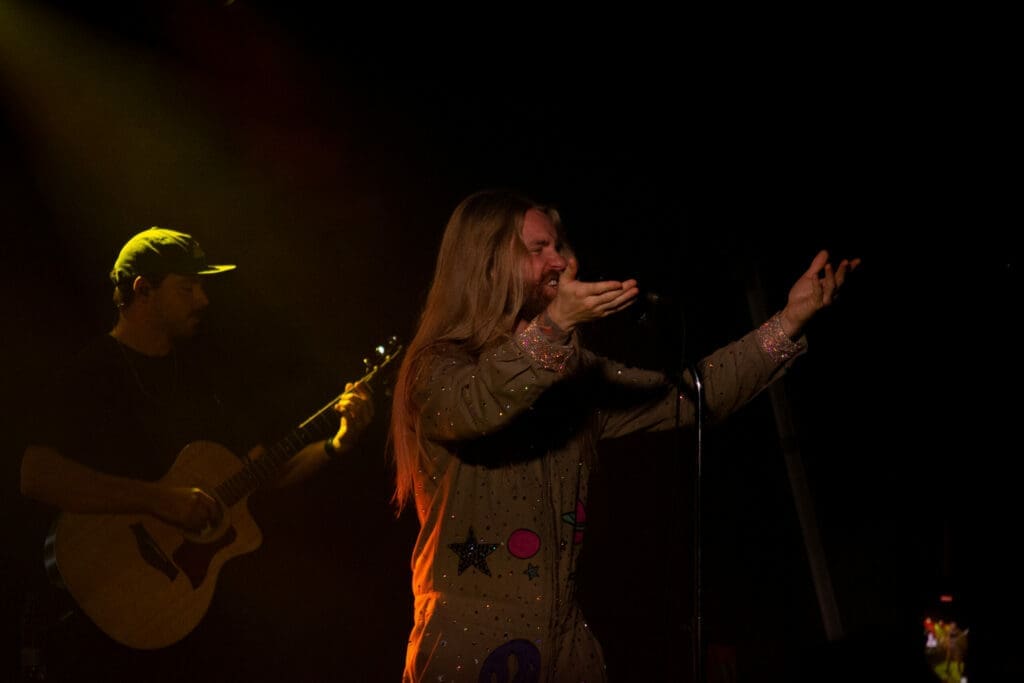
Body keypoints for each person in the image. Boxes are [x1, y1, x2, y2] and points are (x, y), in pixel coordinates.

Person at [389, 189, 858, 682]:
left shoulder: (574, 376)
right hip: (469, 648)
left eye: (559, 246)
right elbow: (475, 406)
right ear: (486, 263)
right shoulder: (437, 365)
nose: (560, 260)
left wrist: (789, 321)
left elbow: (692, 395)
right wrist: (553, 328)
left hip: (567, 649)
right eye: (538, 249)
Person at [18, 227, 373, 681]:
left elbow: (264, 470)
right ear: (143, 290)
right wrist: (158, 500)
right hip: (97, 626)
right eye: (187, 288)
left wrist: (338, 442)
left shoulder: (202, 378)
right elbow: (36, 475)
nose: (203, 300)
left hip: (181, 620)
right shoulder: (93, 373)